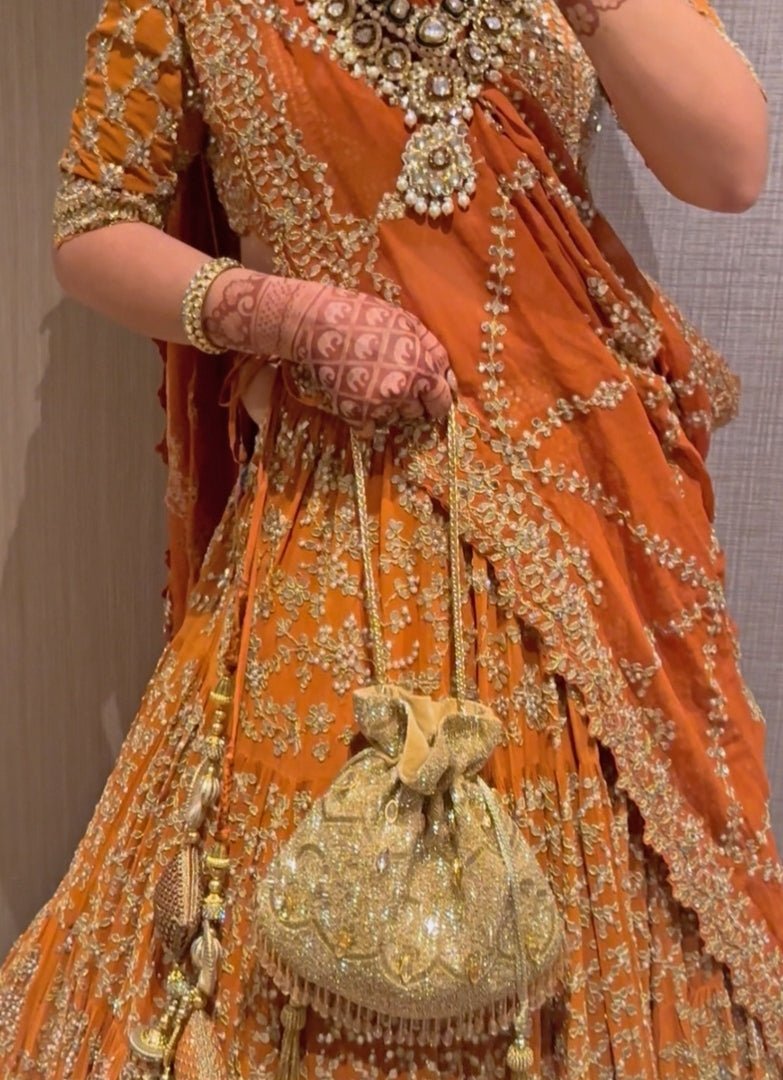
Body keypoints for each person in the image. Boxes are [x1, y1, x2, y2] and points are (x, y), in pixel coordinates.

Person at [1, 0, 781, 1076]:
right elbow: (94, 224)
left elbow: (728, 166)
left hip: (591, 520)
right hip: (337, 506)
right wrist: (283, 315)